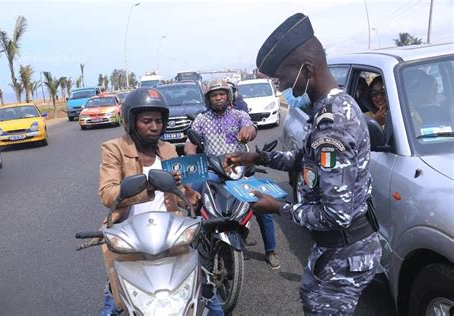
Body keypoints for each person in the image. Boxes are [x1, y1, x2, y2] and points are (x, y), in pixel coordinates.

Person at [225, 13, 382, 315]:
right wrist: (258, 157)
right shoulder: (330, 107)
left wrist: (277, 208)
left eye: (282, 77)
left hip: (344, 251)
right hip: (336, 248)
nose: (280, 84)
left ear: (307, 69)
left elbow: (336, 214)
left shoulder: (333, 123)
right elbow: (307, 162)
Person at [98, 87, 221, 315]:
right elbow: (107, 194)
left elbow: (175, 188)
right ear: (130, 121)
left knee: (205, 288)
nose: (155, 127)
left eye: (158, 120)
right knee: (115, 298)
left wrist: (188, 196)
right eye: (146, 121)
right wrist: (148, 186)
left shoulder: (166, 148)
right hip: (130, 234)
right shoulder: (114, 149)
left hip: (170, 231)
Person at [184, 80, 281, 270]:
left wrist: (248, 132)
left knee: (262, 204)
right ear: (208, 99)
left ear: (228, 96)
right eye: (214, 95)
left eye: (222, 94)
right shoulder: (202, 119)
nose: (218, 97)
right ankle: (192, 244)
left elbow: (250, 129)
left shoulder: (239, 115)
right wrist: (191, 155)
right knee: (190, 196)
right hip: (213, 171)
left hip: (239, 171)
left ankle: (271, 250)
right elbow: (190, 142)